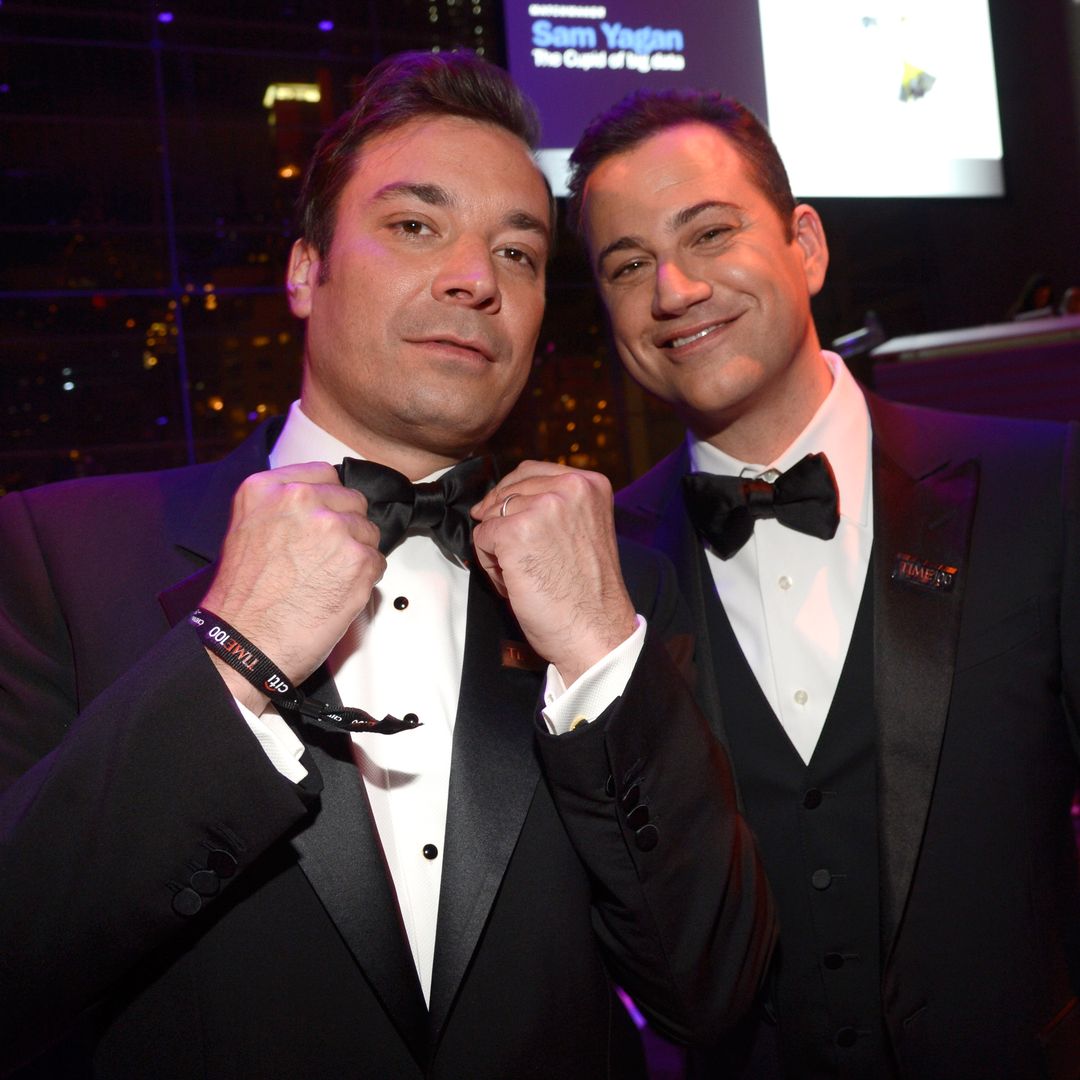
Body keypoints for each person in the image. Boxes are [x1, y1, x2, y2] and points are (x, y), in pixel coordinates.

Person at [0, 56, 776, 1079]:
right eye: (417, 226)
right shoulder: (62, 553)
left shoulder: (627, 582)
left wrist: (595, 651)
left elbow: (709, 986)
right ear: (304, 269)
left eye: (520, 252)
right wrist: (234, 657)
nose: (475, 278)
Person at [568, 88, 1080, 1080]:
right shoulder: (595, 567)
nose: (674, 289)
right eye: (628, 265)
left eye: (710, 232)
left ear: (804, 244)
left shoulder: (1043, 490)